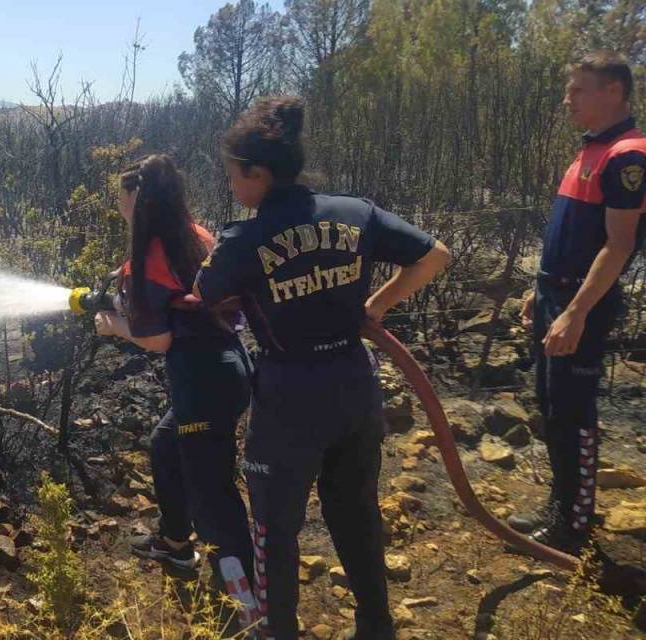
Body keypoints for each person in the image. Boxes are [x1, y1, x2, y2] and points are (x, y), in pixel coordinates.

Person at [193, 97, 450, 640]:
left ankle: (278, 631)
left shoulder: (243, 240)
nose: (233, 187)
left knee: (274, 530)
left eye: (234, 176)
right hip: (354, 385)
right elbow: (434, 256)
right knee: (356, 516)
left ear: (258, 174)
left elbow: (203, 292)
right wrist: (374, 306)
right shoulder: (354, 212)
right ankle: (375, 627)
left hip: (289, 399)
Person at [93, 154, 258, 622]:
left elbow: (156, 339)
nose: (121, 211)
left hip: (203, 380)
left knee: (214, 498)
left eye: (123, 203)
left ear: (138, 204)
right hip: (231, 367)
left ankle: (245, 608)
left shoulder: (147, 260)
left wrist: (115, 327)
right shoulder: (197, 235)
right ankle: (175, 544)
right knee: (165, 446)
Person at [510, 51, 646, 551]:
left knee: (574, 411)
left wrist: (575, 311)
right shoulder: (590, 149)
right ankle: (558, 506)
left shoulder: (628, 155)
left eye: (578, 89)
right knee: (551, 404)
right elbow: (571, 234)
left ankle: (575, 523)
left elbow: (619, 245)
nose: (567, 99)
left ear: (613, 91)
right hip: (556, 295)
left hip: (581, 304)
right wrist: (540, 288)